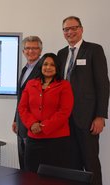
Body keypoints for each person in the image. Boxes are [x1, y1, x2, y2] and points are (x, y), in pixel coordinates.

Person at [57, 16, 109, 185]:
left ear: (81, 29)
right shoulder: (61, 53)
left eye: (74, 28)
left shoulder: (94, 50)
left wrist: (100, 116)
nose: (70, 32)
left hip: (87, 118)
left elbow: (103, 85)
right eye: (66, 29)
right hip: (65, 119)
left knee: (90, 161)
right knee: (71, 162)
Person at [18, 53, 74, 172]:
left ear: (57, 67)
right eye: (45, 64)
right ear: (41, 66)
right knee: (31, 175)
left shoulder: (64, 85)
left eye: (52, 65)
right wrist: (32, 124)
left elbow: (64, 111)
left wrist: (43, 126)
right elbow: (22, 108)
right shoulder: (30, 83)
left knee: (54, 177)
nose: (48, 67)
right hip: (33, 139)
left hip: (56, 140)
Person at [11, 36, 42, 169]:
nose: (31, 51)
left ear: (40, 50)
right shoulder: (24, 70)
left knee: (33, 166)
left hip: (34, 125)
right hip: (21, 124)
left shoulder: (43, 69)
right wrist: (15, 119)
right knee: (23, 164)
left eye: (34, 48)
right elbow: (21, 98)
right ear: (23, 51)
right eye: (28, 48)